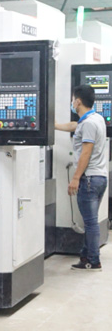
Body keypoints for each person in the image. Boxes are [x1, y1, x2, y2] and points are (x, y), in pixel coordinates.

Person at [55, 84, 108, 271]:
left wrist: (76, 178)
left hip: (89, 179)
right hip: (99, 178)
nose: (72, 103)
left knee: (90, 223)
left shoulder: (89, 124)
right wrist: (53, 125)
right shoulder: (96, 119)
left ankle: (93, 260)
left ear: (77, 101)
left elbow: (86, 152)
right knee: (90, 221)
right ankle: (86, 256)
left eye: (72, 100)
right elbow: (74, 126)